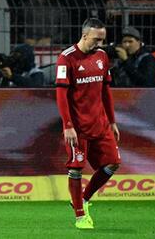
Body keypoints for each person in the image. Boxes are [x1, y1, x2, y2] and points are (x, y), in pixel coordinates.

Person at [55, 18, 121, 230]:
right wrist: (67, 125)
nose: (100, 44)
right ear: (84, 36)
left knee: (113, 163)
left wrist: (112, 121)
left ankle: (83, 198)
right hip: (78, 128)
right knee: (76, 169)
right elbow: (61, 95)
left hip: (100, 124)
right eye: (96, 39)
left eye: (102, 40)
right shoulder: (67, 58)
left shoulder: (102, 56)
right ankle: (80, 215)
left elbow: (105, 91)